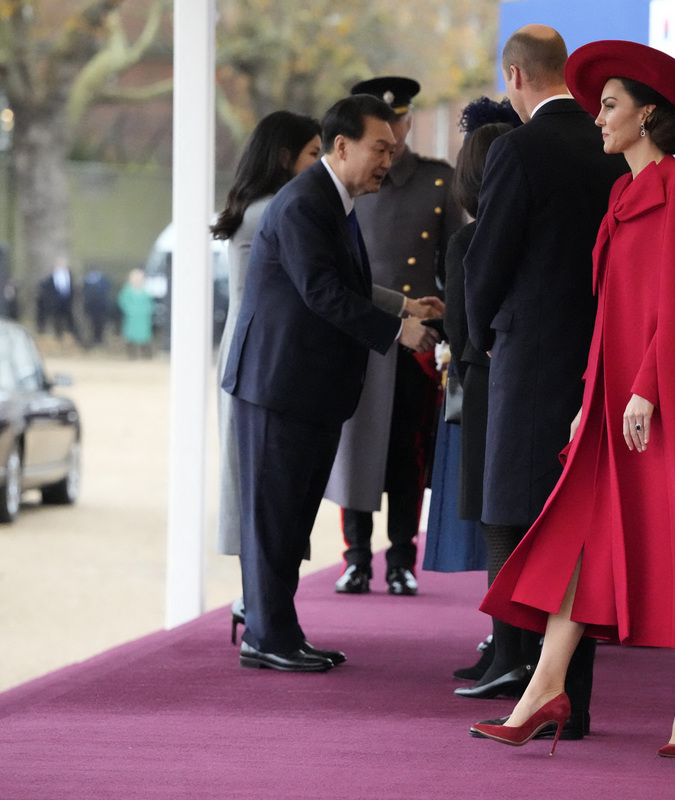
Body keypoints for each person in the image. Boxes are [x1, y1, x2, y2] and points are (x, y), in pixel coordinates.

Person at [469, 39, 675, 757]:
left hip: (665, 402)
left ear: (648, 115)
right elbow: (613, 309)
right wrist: (591, 394)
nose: (597, 118)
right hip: (613, 403)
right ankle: (545, 687)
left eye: (609, 106)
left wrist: (643, 391)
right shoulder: (622, 192)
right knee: (585, 539)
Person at [220, 94, 439, 672]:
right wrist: (398, 331)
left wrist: (403, 309)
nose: (389, 160)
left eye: (393, 149)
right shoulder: (303, 204)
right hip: (276, 385)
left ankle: (276, 631)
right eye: (380, 148)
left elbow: (344, 285)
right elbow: (322, 292)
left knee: (290, 518)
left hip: (306, 388)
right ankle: (266, 637)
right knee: (273, 519)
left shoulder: (332, 199)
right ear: (341, 146)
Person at [463, 26, 630, 737]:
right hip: (602, 359)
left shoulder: (518, 149)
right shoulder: (611, 151)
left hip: (528, 362)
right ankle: (572, 699)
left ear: (515, 76)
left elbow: (487, 261)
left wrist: (478, 339)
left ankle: (531, 682)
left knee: (519, 521)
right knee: (578, 529)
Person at [325, 76, 460, 599]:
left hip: (417, 336)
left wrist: (444, 326)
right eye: (385, 126)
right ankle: (356, 557)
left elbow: (453, 262)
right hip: (362, 331)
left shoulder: (436, 180)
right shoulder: (350, 179)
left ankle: (402, 557)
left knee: (409, 449)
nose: (396, 134)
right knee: (355, 446)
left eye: (401, 121)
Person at [437, 102, 522, 688]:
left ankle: (507, 652)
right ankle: (509, 648)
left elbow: (463, 333)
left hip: (489, 395)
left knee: (498, 527)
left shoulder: (469, 241)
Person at [117, 269, 153, 359]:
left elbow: (151, 303)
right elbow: (122, 301)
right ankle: (132, 355)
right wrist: (129, 309)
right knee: (131, 336)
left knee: (144, 336)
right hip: (132, 317)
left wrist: (147, 310)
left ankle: (146, 355)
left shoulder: (146, 291)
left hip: (143, 317)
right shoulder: (127, 290)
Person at [82, 270, 111, 346]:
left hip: (99, 308)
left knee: (99, 325)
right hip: (92, 308)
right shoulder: (88, 280)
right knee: (91, 325)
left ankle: (98, 340)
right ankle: (93, 341)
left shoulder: (101, 280)